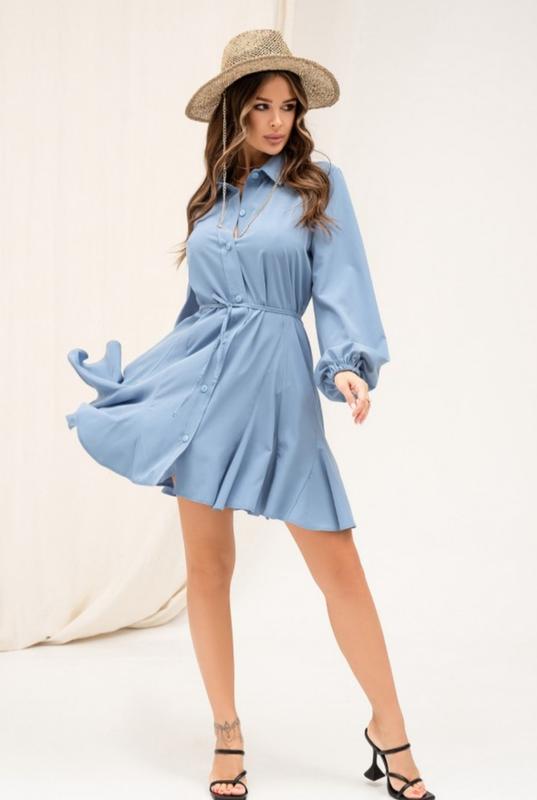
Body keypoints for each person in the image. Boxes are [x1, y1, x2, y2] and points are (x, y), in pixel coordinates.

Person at [65, 29, 435, 800]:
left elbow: (342, 285)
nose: (276, 121)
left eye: (288, 107)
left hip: (275, 389)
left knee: (340, 568)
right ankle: (227, 732)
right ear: (233, 111)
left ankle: (390, 727)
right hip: (204, 392)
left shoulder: (317, 186)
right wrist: (143, 382)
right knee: (208, 569)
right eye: (261, 106)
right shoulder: (211, 198)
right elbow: (198, 316)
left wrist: (346, 365)